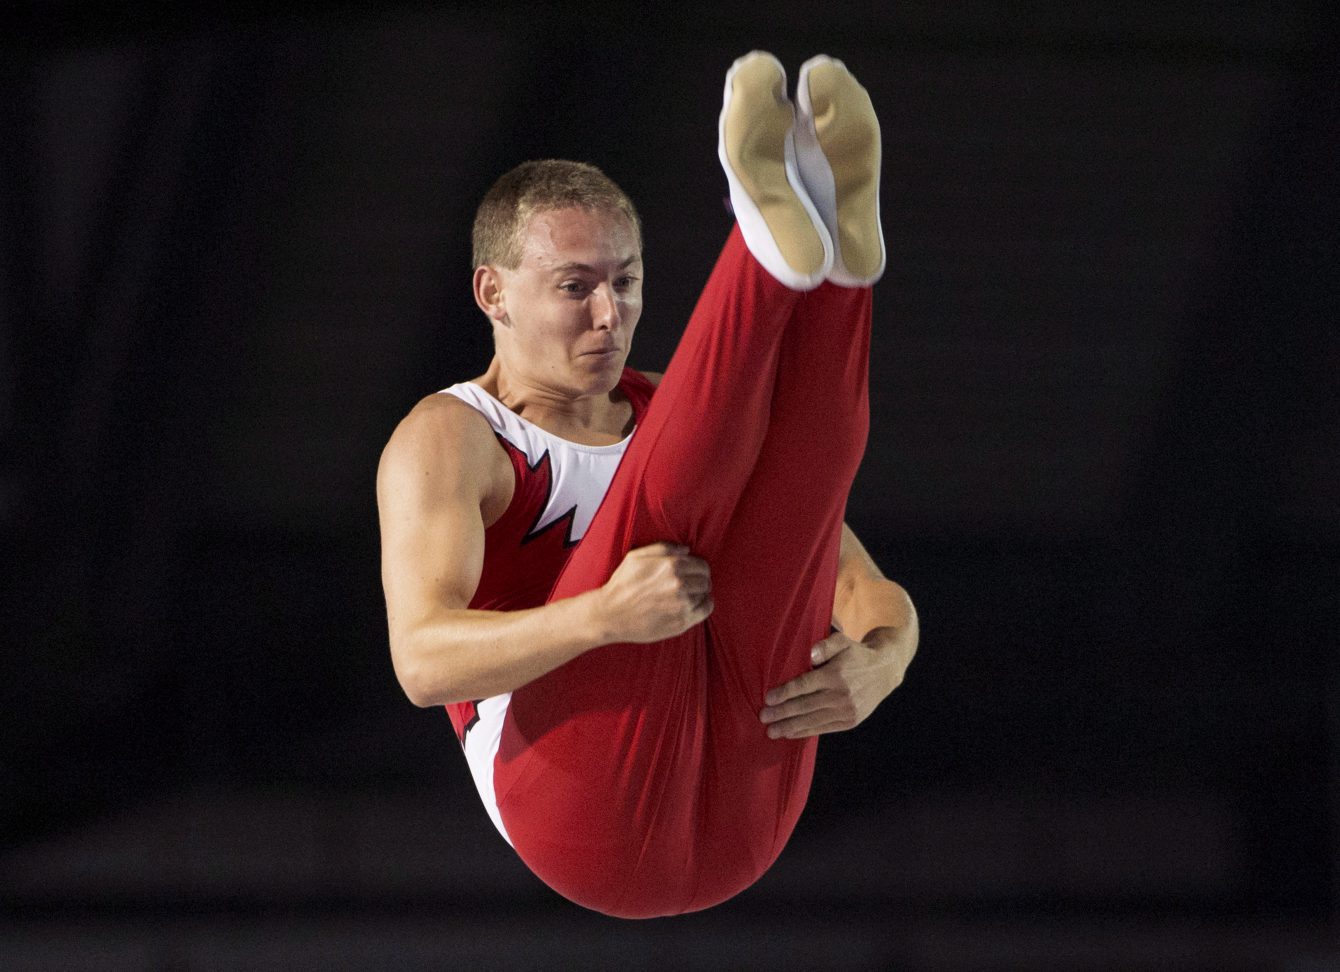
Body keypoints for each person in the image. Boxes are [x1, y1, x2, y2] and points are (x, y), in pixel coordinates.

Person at [377, 51, 918, 918]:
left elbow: (848, 574)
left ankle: (840, 271)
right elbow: (420, 662)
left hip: (748, 813)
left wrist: (886, 659)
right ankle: (771, 254)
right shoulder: (452, 438)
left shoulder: (680, 411)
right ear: (493, 293)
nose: (610, 313)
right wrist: (600, 617)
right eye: (574, 286)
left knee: (791, 492)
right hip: (580, 811)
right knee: (666, 514)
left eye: (626, 282)